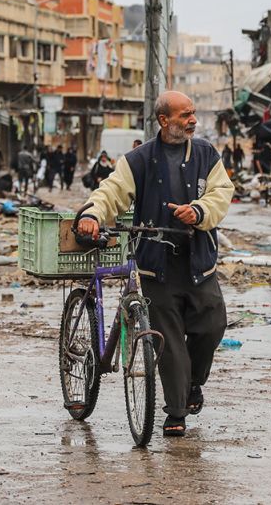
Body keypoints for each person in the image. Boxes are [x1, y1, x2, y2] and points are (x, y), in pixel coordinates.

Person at [76, 91, 234, 438]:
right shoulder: (139, 159)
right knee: (170, 339)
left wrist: (199, 212)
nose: (192, 120)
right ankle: (175, 412)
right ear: (164, 121)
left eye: (193, 114)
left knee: (213, 323)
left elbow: (221, 193)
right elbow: (111, 193)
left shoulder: (206, 153)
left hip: (198, 260)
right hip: (155, 264)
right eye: (185, 115)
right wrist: (91, 214)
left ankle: (193, 384)